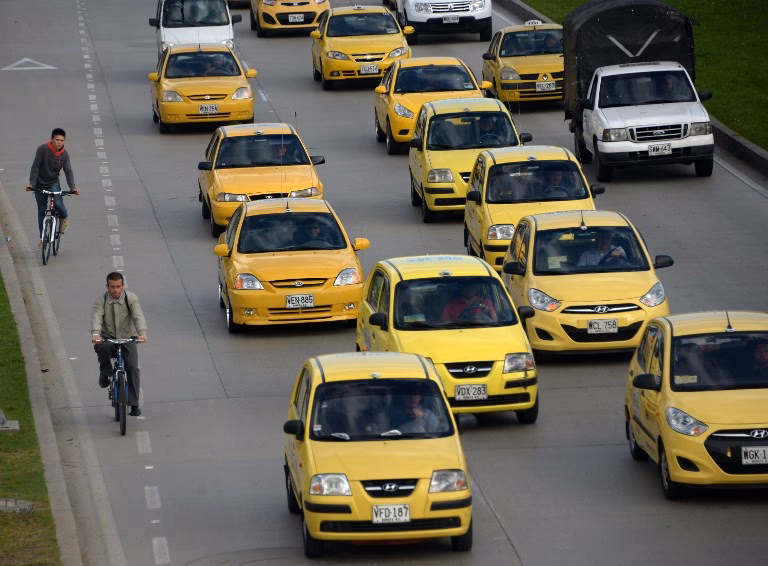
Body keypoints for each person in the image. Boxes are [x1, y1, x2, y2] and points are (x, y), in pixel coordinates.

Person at [91, 272, 148, 417]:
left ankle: (134, 405)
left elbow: (137, 316)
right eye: (112, 287)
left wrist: (142, 332)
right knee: (101, 347)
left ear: (123, 286)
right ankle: (105, 372)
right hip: (108, 337)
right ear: (107, 286)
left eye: (118, 286)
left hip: (127, 338)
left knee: (133, 368)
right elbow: (97, 316)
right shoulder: (101, 300)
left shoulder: (131, 298)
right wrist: (96, 334)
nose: (115, 290)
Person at [26, 128, 80, 249]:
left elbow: (68, 171)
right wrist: (31, 184)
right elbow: (35, 167)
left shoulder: (64, 154)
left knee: (59, 203)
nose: (59, 142)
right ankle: (43, 239)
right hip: (39, 184)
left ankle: (64, 218)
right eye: (57, 140)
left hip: (53, 183)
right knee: (41, 211)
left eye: (62, 140)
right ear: (52, 140)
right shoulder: (42, 149)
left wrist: (73, 187)